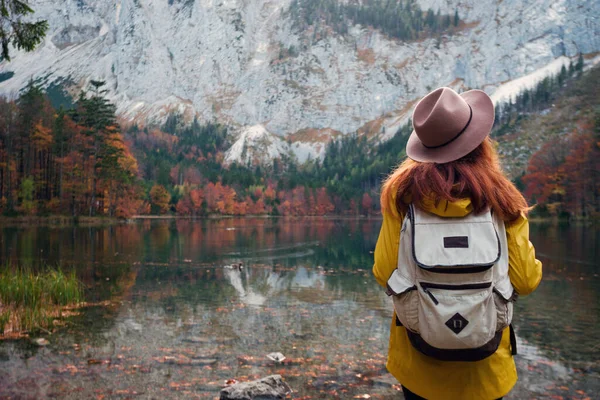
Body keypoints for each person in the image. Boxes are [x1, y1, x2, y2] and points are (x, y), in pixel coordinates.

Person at [372, 87, 542, 400]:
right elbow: (526, 281)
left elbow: (385, 273)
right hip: (487, 367)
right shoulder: (504, 200)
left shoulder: (401, 197)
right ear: (478, 142)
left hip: (419, 362)